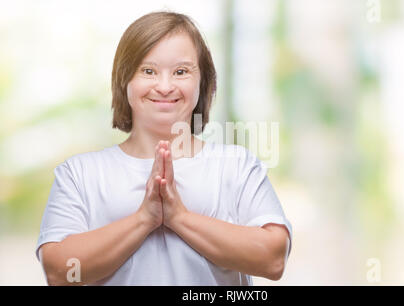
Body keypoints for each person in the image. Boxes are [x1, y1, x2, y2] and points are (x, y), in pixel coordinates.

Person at [36, 11, 292, 286]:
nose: (165, 86)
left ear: (201, 82)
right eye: (148, 71)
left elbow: (273, 260)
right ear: (124, 81)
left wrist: (179, 217)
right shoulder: (79, 173)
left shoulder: (236, 165)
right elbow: (60, 273)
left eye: (181, 72)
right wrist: (144, 219)